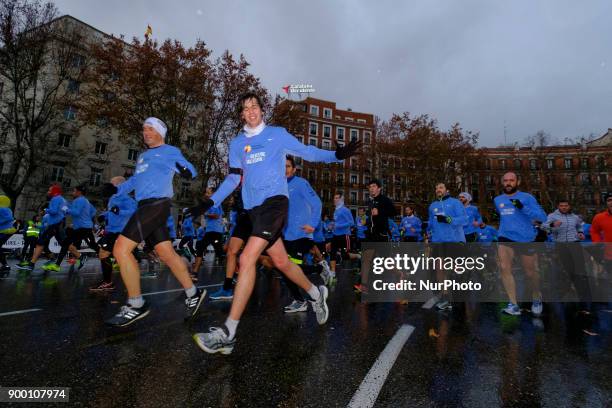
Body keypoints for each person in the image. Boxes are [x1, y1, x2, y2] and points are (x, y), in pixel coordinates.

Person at [191, 92, 361, 354]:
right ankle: (316, 294)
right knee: (281, 262)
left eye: (255, 106)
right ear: (241, 114)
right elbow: (233, 179)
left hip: (275, 203)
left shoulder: (277, 134)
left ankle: (229, 332)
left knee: (247, 259)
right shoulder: (237, 144)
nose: (251, 111)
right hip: (252, 210)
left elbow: (308, 152)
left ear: (262, 110)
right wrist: (210, 202)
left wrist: (337, 155)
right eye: (245, 108)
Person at [102, 117, 204, 327]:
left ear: (160, 132)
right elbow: (135, 181)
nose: (145, 132)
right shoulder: (143, 156)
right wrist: (115, 189)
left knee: (121, 250)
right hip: (144, 206)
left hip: (156, 205)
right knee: (167, 254)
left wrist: (187, 171)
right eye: (144, 129)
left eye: (150, 129)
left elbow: (190, 170)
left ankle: (136, 303)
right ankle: (194, 293)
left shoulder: (169, 151)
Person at [495, 172, 547, 316]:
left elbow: (542, 218)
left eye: (511, 180)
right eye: (505, 180)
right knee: (504, 267)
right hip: (505, 236)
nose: (508, 183)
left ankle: (536, 296)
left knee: (531, 273)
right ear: (502, 182)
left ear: (517, 182)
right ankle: (513, 304)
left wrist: (523, 207)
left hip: (525, 238)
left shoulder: (527, 198)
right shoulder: (498, 199)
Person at [282, 156, 325, 313]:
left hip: (302, 233)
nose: (284, 169)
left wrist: (312, 225)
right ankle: (299, 300)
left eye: (287, 166)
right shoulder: (277, 186)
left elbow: (317, 203)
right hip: (285, 235)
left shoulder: (300, 183)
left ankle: (318, 271)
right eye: (282, 166)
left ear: (294, 169)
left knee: (292, 267)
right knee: (285, 269)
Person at [90, 177, 137, 291]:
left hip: (119, 231)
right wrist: (104, 215)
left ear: (120, 185)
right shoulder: (113, 198)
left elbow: (134, 211)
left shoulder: (126, 198)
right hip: (111, 230)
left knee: (104, 253)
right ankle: (111, 281)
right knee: (115, 255)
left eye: (112, 183)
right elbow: (112, 211)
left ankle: (108, 282)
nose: (110, 186)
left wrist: (119, 211)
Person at [428, 182, 468, 310]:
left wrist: (450, 220)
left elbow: (464, 220)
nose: (438, 190)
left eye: (440, 187)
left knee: (455, 270)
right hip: (438, 240)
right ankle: (445, 297)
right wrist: (427, 229)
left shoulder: (455, 203)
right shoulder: (432, 205)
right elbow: (431, 222)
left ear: (447, 190)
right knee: (439, 268)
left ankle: (459, 293)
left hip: (454, 240)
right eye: (436, 188)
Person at [44, 185, 98, 272]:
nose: (72, 193)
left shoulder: (80, 200)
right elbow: (93, 212)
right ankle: (82, 257)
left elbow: (76, 212)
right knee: (91, 244)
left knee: (67, 243)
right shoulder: (86, 201)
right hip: (83, 226)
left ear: (79, 192)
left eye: (74, 191)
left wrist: (66, 209)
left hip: (83, 227)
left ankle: (58, 265)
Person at [355, 179, 396, 293]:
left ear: (379, 188)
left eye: (374, 186)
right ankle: (364, 286)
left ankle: (400, 274)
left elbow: (393, 212)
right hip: (371, 234)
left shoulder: (384, 200)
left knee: (386, 262)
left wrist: (380, 211)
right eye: (370, 187)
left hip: (381, 234)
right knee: (366, 258)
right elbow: (372, 218)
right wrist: (366, 222)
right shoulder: (370, 201)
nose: (371, 188)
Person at [17, 184, 68, 271]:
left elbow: (46, 224)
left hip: (53, 227)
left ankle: (36, 263)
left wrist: (45, 212)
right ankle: (35, 263)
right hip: (53, 228)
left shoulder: (48, 214)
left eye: (49, 190)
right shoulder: (61, 202)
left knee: (58, 245)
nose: (48, 192)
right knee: (45, 246)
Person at [209, 189, 248, 301]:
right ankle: (227, 289)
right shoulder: (240, 180)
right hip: (243, 218)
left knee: (273, 260)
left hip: (258, 216)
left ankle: (298, 285)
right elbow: (229, 184)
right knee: (231, 252)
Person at [329, 193, 357, 281]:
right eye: (334, 198)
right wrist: (331, 225)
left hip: (344, 236)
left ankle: (358, 256)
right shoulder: (336, 210)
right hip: (335, 235)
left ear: (341, 199)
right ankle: (333, 273)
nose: (335, 200)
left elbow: (351, 223)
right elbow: (336, 222)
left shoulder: (345, 210)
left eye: (337, 198)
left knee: (345, 255)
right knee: (332, 253)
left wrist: (337, 225)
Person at [590, 194, 612, 269]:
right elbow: (594, 231)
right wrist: (598, 243)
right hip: (608, 256)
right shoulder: (599, 217)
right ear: (606, 203)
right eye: (609, 200)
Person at [0, 195, 17, 274]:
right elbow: (10, 219)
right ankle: (5, 264)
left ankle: (5, 265)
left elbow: (7, 219)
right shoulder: (8, 210)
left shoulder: (1, 209)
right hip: (8, 231)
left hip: (3, 231)